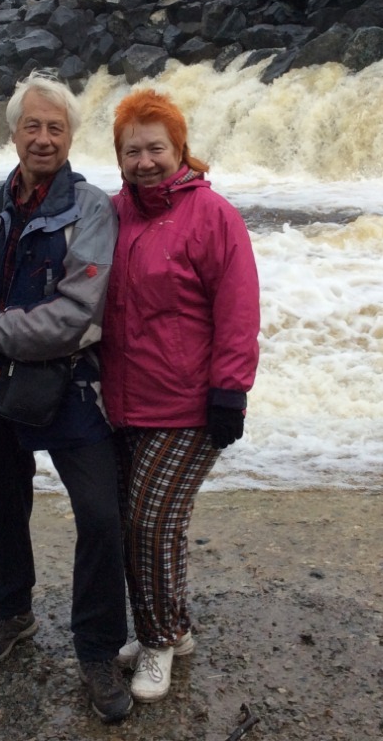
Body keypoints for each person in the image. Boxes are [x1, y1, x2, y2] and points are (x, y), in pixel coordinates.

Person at [0, 74, 132, 723]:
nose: (43, 138)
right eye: (32, 126)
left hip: (72, 390)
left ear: (71, 138)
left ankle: (97, 650)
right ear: (13, 133)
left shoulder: (91, 210)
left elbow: (75, 313)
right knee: (2, 506)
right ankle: (10, 613)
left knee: (100, 518)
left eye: (56, 128)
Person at [101, 87, 261, 703]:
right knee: (131, 524)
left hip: (189, 405)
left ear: (180, 149)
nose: (145, 161)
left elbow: (238, 307)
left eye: (156, 148)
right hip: (119, 402)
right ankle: (170, 629)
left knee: (153, 523)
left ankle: (160, 641)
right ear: (118, 158)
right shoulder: (112, 214)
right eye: (132, 150)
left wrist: (231, 391)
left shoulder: (212, 215)